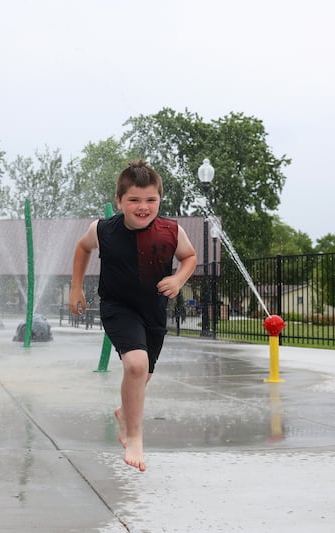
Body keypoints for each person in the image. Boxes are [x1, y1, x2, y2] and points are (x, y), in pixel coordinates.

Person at [69, 159, 197, 472]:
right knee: (136, 365)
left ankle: (124, 412)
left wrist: (178, 279)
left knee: (143, 374)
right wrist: (76, 288)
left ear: (160, 200)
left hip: (153, 309)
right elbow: (82, 248)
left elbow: (190, 257)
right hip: (117, 306)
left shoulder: (171, 231)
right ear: (119, 202)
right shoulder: (102, 230)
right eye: (134, 200)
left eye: (151, 200)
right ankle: (135, 435)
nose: (143, 207)